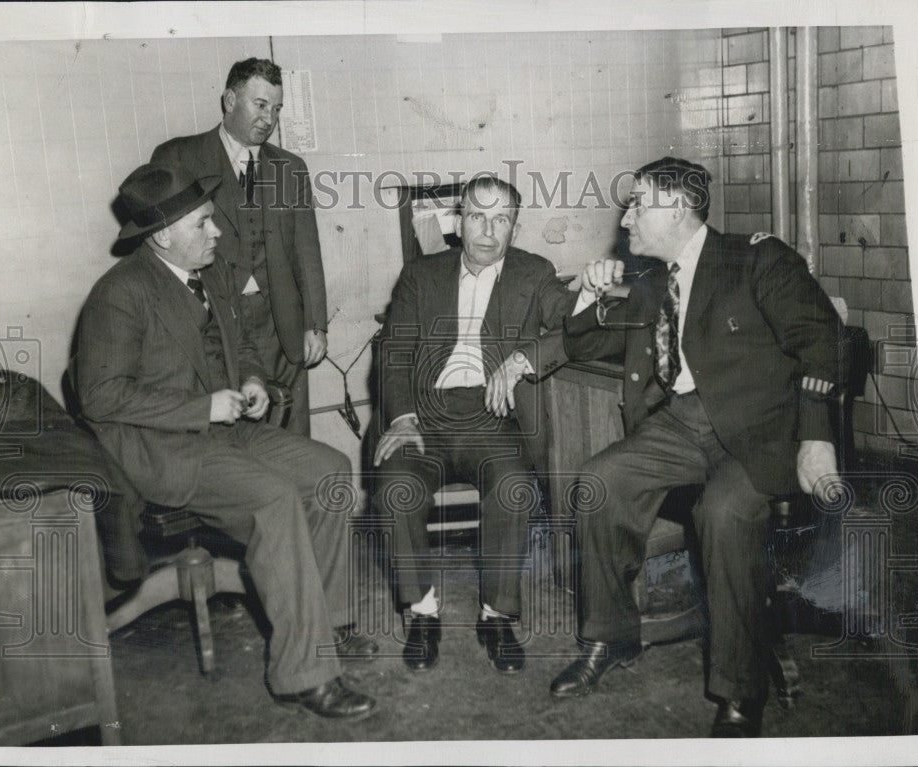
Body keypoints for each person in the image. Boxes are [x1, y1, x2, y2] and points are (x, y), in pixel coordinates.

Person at [543, 157, 844, 736]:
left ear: (676, 208)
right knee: (598, 483)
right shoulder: (655, 281)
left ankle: (739, 690)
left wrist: (814, 436)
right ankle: (612, 638)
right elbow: (584, 345)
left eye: (637, 203)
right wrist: (588, 291)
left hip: (759, 432)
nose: (626, 217)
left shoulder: (757, 258)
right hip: (681, 426)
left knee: (724, 513)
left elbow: (823, 338)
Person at [75, 162, 376, 719]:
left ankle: (331, 625)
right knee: (275, 501)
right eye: (204, 223)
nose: (217, 232)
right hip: (167, 451)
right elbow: (99, 396)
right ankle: (303, 674)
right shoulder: (118, 296)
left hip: (230, 431)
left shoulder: (212, 274)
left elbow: (242, 349)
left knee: (330, 471)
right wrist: (201, 407)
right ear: (163, 235)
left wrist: (254, 382)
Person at [372, 175, 575, 674]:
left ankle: (497, 614)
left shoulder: (535, 272)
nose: (488, 229)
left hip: (495, 418)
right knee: (397, 484)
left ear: (514, 227)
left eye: (501, 218)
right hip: (423, 416)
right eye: (478, 216)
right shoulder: (422, 274)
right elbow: (394, 349)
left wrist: (529, 352)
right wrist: (400, 416)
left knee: (512, 487)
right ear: (458, 222)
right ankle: (421, 613)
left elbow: (572, 320)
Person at [151, 57, 325, 437]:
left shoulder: (290, 168)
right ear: (230, 100)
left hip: (282, 323)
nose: (269, 118)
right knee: (236, 441)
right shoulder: (178, 157)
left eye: (276, 109)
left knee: (293, 438)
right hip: (215, 319)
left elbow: (306, 253)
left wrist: (314, 324)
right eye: (260, 105)